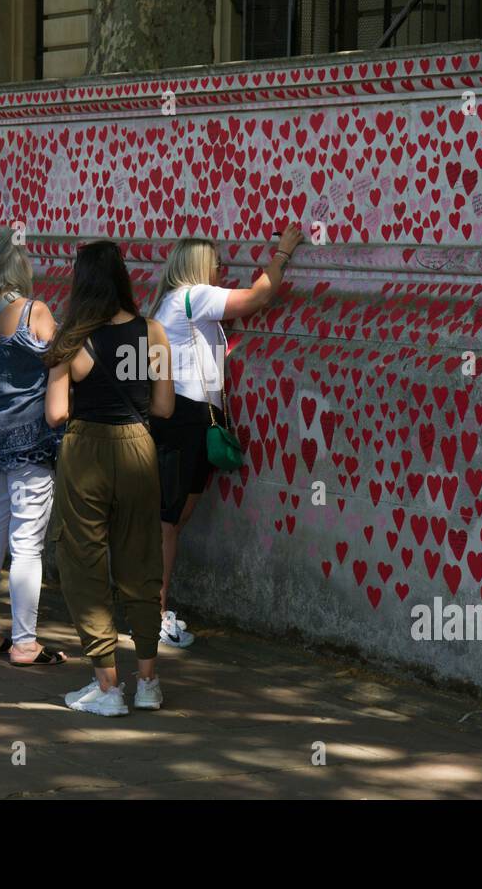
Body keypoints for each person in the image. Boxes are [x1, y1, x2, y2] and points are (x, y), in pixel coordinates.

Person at [145, 224, 302, 648]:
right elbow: (257, 297)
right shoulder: (194, 297)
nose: (221, 266)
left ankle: (152, 610)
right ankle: (153, 615)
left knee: (172, 521)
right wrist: (283, 253)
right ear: (197, 265)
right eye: (215, 260)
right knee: (168, 522)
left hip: (187, 416)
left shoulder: (176, 303)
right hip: (185, 417)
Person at [43, 241, 175, 716]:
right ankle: (148, 682)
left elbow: (56, 413)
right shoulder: (152, 332)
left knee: (84, 561)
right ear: (122, 277)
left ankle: (106, 685)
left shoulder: (72, 337)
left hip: (86, 451)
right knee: (141, 561)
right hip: (139, 446)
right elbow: (163, 407)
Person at [0, 229, 66, 666]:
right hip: (28, 442)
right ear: (18, 266)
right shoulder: (35, 312)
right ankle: (25, 641)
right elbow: (64, 359)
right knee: (26, 544)